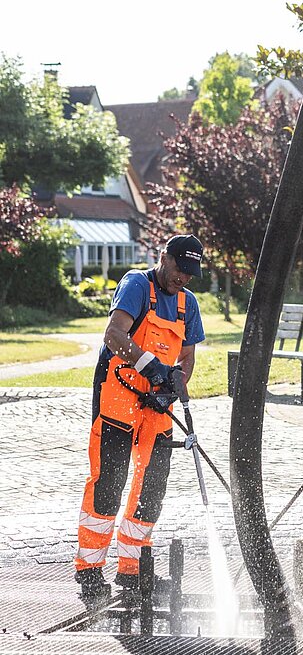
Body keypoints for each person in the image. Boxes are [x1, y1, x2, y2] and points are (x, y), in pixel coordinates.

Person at [74, 234, 206, 594]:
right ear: (164, 257)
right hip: (118, 395)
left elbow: (186, 360)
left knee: (152, 487)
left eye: (189, 274)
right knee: (109, 483)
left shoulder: (187, 303)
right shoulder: (136, 284)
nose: (183, 279)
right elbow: (114, 335)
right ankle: (89, 568)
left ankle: (131, 568)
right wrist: (151, 368)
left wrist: (169, 387)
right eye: (180, 270)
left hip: (157, 405)